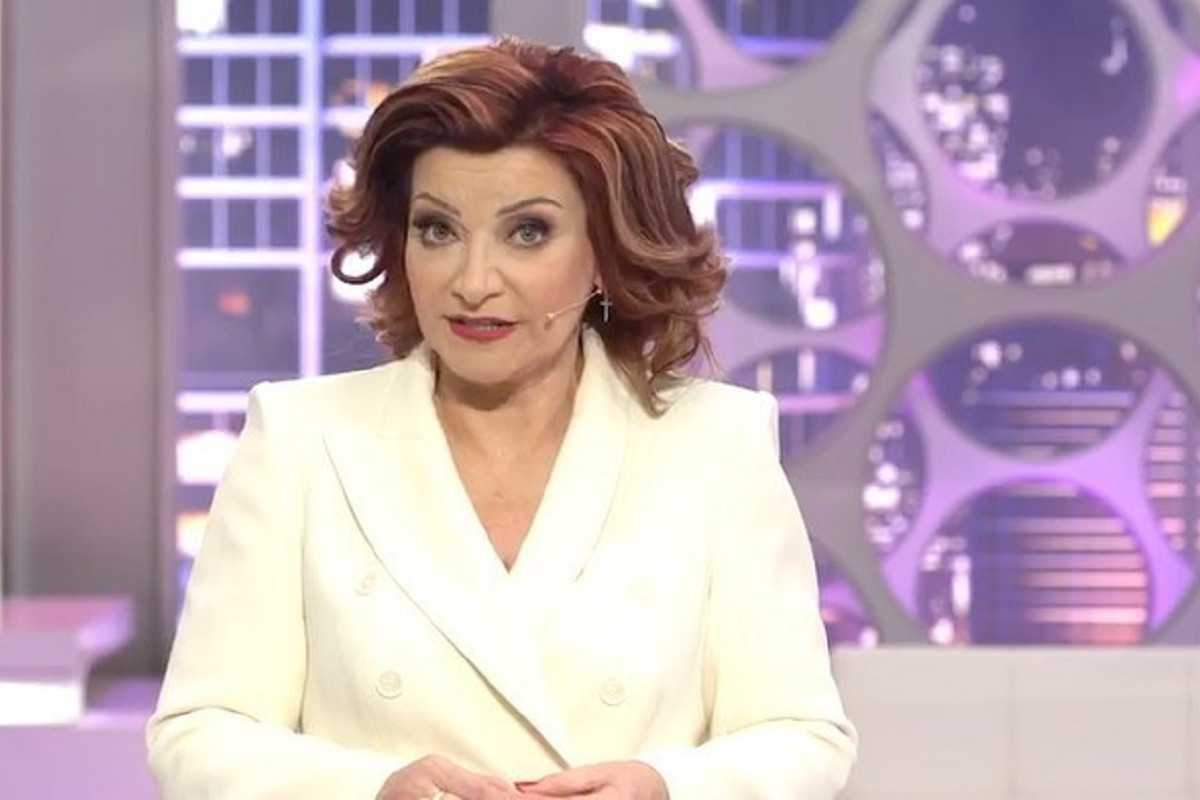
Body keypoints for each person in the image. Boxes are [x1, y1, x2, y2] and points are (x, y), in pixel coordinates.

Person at [147, 37, 857, 800]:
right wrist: (371, 790)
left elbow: (801, 735)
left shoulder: (715, 444)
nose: (473, 281)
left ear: (605, 250)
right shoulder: (299, 440)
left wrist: (663, 788)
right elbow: (199, 732)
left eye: (528, 232)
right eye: (438, 229)